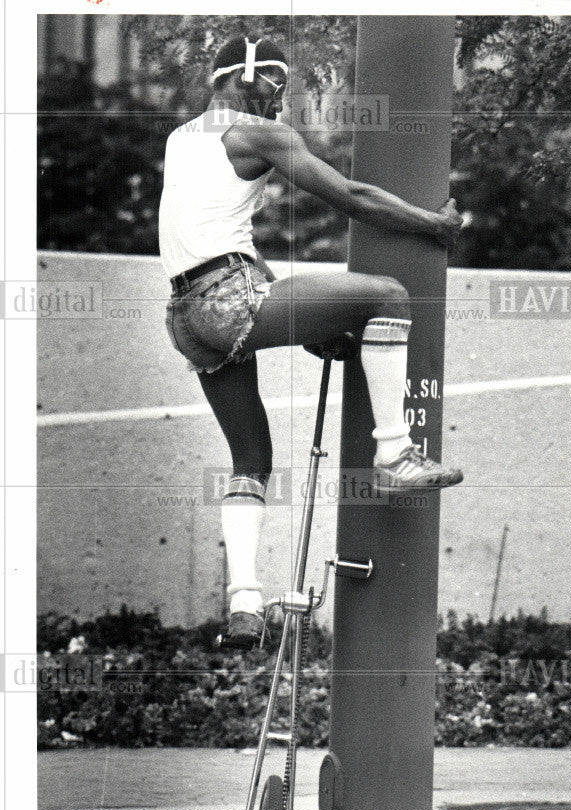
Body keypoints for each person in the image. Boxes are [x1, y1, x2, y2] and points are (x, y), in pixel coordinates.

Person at [159, 35, 464, 648]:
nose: (282, 100)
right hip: (229, 298)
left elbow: (223, 244)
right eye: (279, 85)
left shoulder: (181, 135)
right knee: (386, 296)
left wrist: (308, 329)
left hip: (186, 317)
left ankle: (243, 603)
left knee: (251, 461)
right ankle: (395, 453)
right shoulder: (255, 133)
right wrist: (434, 223)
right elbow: (350, 197)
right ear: (250, 78)